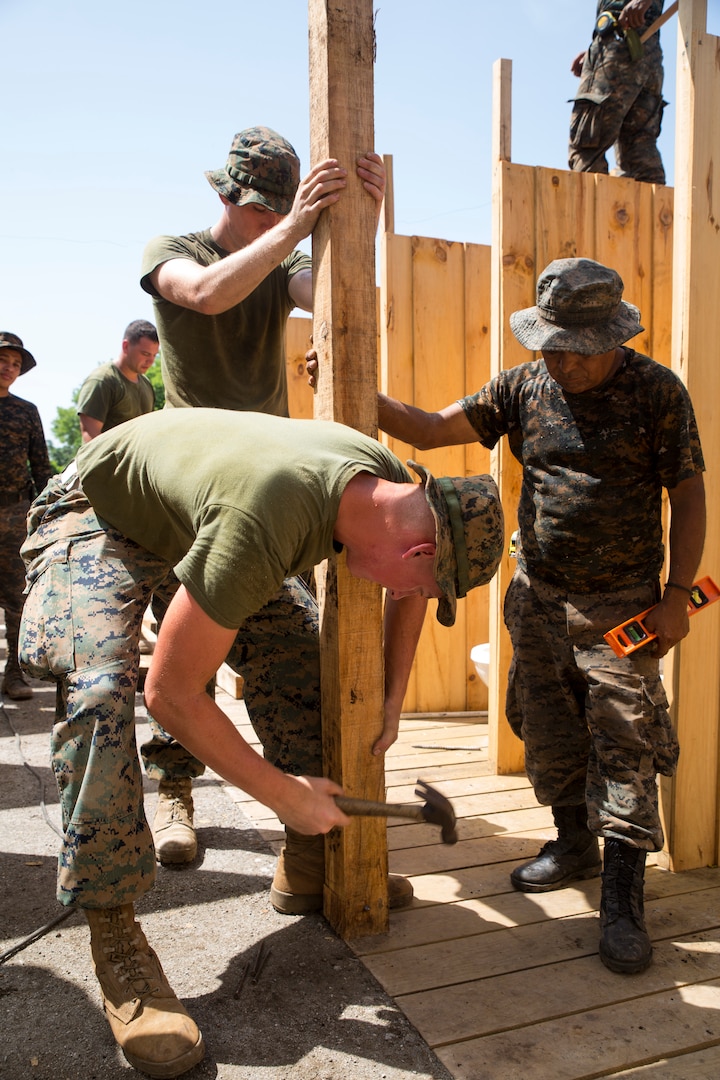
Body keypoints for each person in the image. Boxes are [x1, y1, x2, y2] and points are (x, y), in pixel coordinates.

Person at [19, 407, 503, 1078]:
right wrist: (281, 792)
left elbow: (408, 593)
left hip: (198, 514)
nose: (410, 592)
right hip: (97, 513)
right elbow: (171, 694)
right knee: (101, 692)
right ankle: (116, 938)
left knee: (305, 663)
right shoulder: (264, 519)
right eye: (422, 580)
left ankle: (307, 862)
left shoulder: (393, 486)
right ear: (418, 548)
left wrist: (393, 698)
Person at [375, 257, 706, 976]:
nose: (559, 359)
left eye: (574, 347)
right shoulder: (526, 385)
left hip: (625, 608)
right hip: (539, 596)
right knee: (546, 728)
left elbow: (689, 494)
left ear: (611, 337)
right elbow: (431, 430)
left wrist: (679, 595)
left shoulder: (656, 393)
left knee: (626, 741)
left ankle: (624, 897)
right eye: (548, 342)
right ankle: (572, 843)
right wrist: (357, 393)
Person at [138, 125, 387, 879]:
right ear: (222, 193)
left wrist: (361, 225)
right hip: (186, 497)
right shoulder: (170, 251)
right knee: (189, 668)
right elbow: (209, 295)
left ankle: (302, 846)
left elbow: (341, 297)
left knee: (290, 659)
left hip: (261, 499)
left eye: (277, 210)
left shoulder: (284, 261)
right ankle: (175, 796)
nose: (267, 220)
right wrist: (292, 229)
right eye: (256, 210)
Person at [0, 332, 52, 700]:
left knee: (18, 599)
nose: (9, 368)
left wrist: (47, 515)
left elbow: (41, 467)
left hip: (14, 512)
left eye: (16, 364)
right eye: (4, 359)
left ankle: (14, 675)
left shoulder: (26, 411)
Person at [569, 0, 667, 184]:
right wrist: (597, 47)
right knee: (640, 152)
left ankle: (592, 211)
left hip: (622, 36)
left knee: (588, 145)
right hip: (645, 45)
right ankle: (653, 212)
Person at [76, 319, 159, 442]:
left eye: (154, 355)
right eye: (145, 354)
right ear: (126, 346)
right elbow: (90, 435)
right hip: (107, 460)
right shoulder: (102, 380)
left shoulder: (146, 384)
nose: (151, 361)